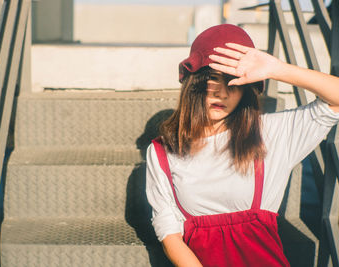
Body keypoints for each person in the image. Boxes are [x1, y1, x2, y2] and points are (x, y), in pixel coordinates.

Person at [145, 24, 339, 267]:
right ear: (194, 82)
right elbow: (169, 234)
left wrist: (277, 69)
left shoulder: (270, 134)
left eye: (233, 82)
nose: (223, 93)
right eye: (214, 79)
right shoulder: (163, 151)